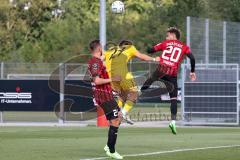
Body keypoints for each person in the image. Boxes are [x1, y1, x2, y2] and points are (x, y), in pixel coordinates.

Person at [141, 27, 196, 134]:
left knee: (151, 78)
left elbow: (150, 50)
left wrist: (156, 50)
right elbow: (192, 58)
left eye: (167, 35)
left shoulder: (166, 43)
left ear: (172, 35)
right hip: (172, 74)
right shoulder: (184, 47)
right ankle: (173, 122)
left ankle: (138, 93)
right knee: (174, 99)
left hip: (162, 69)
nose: (166, 37)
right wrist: (192, 71)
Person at [104, 40, 159, 125]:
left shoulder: (111, 49)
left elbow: (102, 61)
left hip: (111, 78)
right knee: (134, 93)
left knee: (122, 96)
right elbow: (141, 56)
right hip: (122, 75)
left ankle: (115, 117)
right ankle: (123, 114)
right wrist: (154, 59)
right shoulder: (129, 47)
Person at [87, 39, 123, 159]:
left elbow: (101, 64)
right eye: (101, 48)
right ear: (99, 49)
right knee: (115, 120)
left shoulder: (97, 61)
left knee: (119, 116)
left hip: (107, 94)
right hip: (103, 96)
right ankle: (111, 150)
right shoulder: (95, 62)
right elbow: (96, 81)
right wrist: (113, 79)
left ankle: (109, 145)